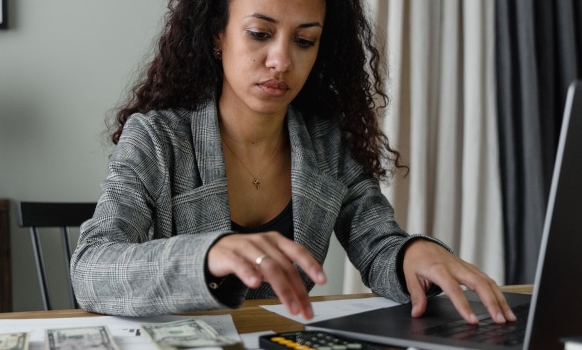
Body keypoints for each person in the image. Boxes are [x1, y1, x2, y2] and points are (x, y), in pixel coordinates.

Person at [70, 0, 516, 325]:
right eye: (260, 34)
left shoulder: (325, 144)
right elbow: (91, 268)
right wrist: (207, 255)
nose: (282, 60)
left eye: (304, 40)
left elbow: (377, 244)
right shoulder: (157, 138)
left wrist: (413, 252)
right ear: (217, 35)